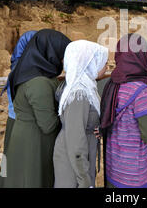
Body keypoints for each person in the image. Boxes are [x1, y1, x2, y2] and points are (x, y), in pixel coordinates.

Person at [0, 29, 71, 188]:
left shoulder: (29, 72)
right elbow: (48, 125)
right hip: (34, 145)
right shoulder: (39, 83)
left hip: (28, 138)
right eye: (61, 55)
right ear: (50, 53)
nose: (63, 60)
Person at [101, 34, 147, 188]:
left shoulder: (111, 84)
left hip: (114, 167)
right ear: (142, 57)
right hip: (135, 173)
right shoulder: (141, 92)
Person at [53, 40, 108, 188]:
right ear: (89, 63)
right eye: (103, 62)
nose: (107, 66)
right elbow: (76, 139)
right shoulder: (80, 93)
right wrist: (84, 179)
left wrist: (95, 129)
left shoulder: (87, 87)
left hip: (79, 157)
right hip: (74, 163)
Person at [0, 30, 37, 188]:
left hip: (13, 120)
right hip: (25, 123)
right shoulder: (29, 71)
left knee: (11, 163)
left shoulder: (17, 67)